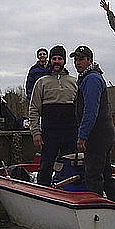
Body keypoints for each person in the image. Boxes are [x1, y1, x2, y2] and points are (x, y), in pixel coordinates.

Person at [72, 45, 115, 201]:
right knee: (106, 174)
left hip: (97, 135)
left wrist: (82, 135)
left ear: (90, 60)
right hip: (104, 133)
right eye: (75, 60)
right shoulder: (89, 78)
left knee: (92, 175)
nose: (77, 63)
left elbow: (90, 110)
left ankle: (98, 209)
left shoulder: (91, 79)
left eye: (81, 59)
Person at [28, 45, 78, 186]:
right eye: (54, 58)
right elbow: (34, 110)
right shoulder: (41, 82)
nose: (56, 61)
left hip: (70, 132)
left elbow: (81, 110)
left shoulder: (74, 82)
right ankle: (43, 191)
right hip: (49, 132)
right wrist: (36, 133)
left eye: (60, 58)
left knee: (70, 165)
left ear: (64, 61)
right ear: (50, 60)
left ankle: (69, 191)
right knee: (46, 165)